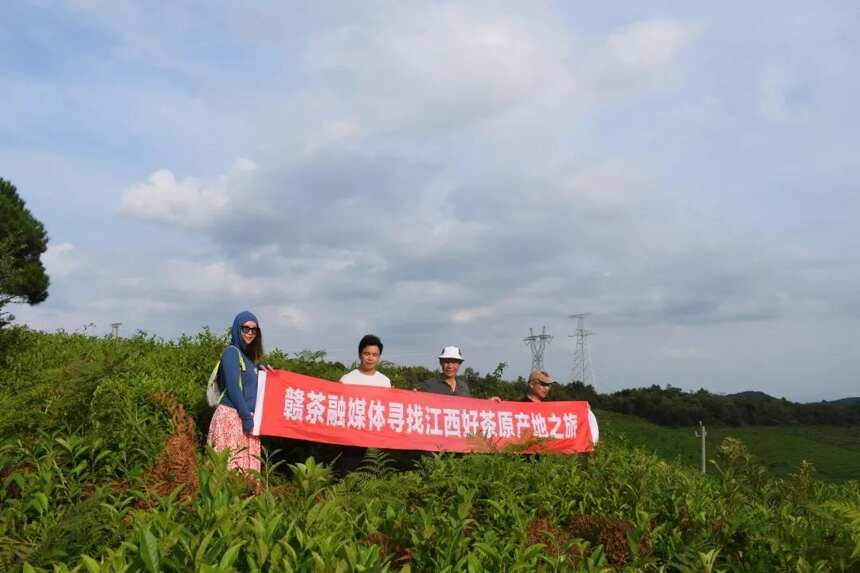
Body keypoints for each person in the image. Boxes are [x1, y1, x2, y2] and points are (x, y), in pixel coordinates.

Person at [207, 311, 263, 473]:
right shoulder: (231, 352)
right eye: (246, 328)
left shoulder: (249, 359)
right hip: (232, 419)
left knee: (244, 474)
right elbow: (233, 388)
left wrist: (259, 370)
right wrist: (246, 417)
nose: (250, 333)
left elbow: (247, 383)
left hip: (245, 420)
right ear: (237, 330)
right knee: (229, 471)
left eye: (254, 330)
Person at [336, 334, 390, 475]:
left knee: (371, 474)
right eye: (367, 354)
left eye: (375, 355)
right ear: (360, 355)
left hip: (375, 437)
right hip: (350, 437)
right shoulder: (347, 379)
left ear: (379, 357)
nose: (370, 358)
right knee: (347, 474)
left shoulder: (385, 381)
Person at [520, 368, 599, 444]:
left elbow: (567, 412)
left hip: (546, 453)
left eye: (548, 385)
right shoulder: (520, 406)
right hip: (524, 451)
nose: (546, 388)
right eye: (543, 384)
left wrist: (582, 409)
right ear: (531, 384)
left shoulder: (550, 406)